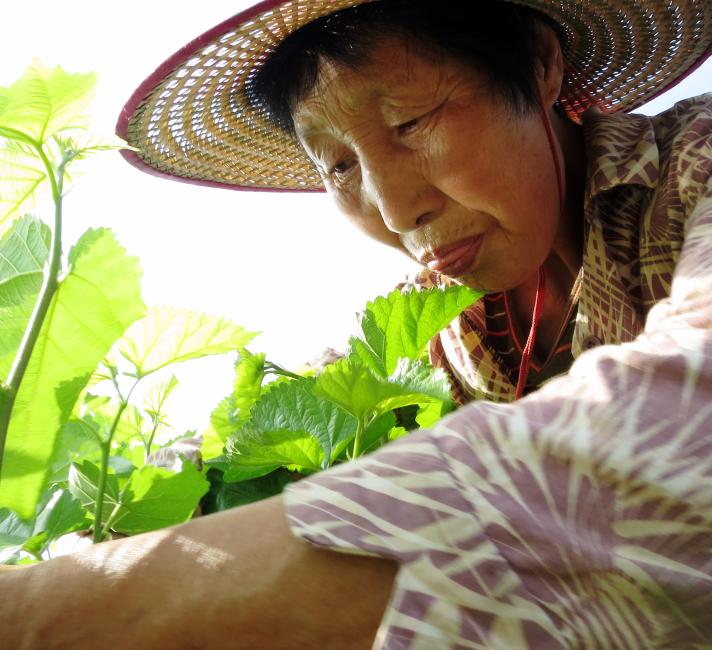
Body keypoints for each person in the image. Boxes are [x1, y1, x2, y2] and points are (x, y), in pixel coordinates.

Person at [2, 0, 711, 647]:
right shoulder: (436, 323)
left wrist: (42, 614)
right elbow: (294, 402)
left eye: (411, 122)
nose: (397, 211)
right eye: (339, 166)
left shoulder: (695, 167)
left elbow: (679, 433)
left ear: (539, 62)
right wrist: (138, 495)